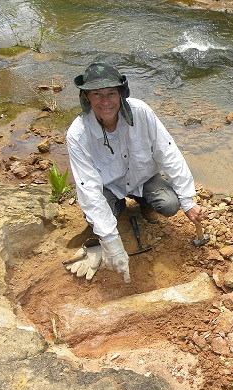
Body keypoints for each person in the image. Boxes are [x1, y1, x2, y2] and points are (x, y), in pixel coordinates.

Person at [65, 62, 204, 283]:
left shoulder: (141, 112)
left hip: (143, 178)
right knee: (97, 219)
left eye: (111, 93)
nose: (105, 101)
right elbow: (88, 187)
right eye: (97, 94)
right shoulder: (78, 134)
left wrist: (187, 200)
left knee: (170, 204)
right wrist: (111, 243)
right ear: (87, 98)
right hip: (109, 186)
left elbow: (168, 152)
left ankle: (145, 203)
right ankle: (117, 210)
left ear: (121, 94)